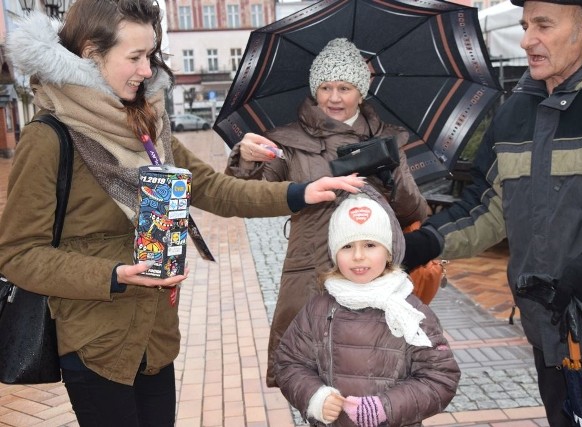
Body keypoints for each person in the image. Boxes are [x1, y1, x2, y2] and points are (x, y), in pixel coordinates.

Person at [0, 2, 364, 426]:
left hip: (155, 336)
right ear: (89, 55)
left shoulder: (148, 124)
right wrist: (113, 274)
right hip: (95, 340)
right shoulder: (49, 138)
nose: (145, 69)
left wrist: (302, 192)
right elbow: (19, 254)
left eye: (150, 55)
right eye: (133, 57)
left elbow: (211, 187)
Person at [403, 0, 582, 425]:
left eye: (543, 25)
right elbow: (486, 205)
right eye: (525, 24)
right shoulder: (515, 111)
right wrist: (418, 243)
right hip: (548, 333)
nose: (527, 39)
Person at [225, 37, 430, 387]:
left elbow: (414, 210)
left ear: (361, 92)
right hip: (313, 274)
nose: (334, 98)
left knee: (382, 374)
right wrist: (244, 159)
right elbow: (247, 195)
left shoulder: (389, 140)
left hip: (375, 276)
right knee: (318, 380)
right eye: (325, 87)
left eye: (345, 87)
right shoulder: (287, 141)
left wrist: (391, 174)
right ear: (314, 89)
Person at [274, 191, 460, 427]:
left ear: (388, 252)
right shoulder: (317, 309)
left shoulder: (410, 311)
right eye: (348, 246)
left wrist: (386, 407)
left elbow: (441, 378)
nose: (358, 256)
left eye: (370, 245)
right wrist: (315, 396)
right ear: (334, 254)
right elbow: (288, 363)